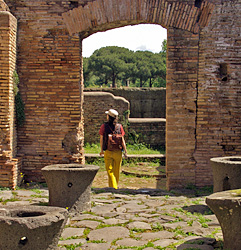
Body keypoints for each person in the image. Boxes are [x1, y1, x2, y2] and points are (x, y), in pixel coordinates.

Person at [99, 109, 128, 189]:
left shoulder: (104, 126)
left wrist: (101, 150)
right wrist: (125, 151)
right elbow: (122, 139)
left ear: (108, 116)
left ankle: (113, 188)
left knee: (110, 171)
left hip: (108, 151)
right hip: (118, 151)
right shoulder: (119, 126)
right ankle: (115, 187)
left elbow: (101, 139)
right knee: (116, 171)